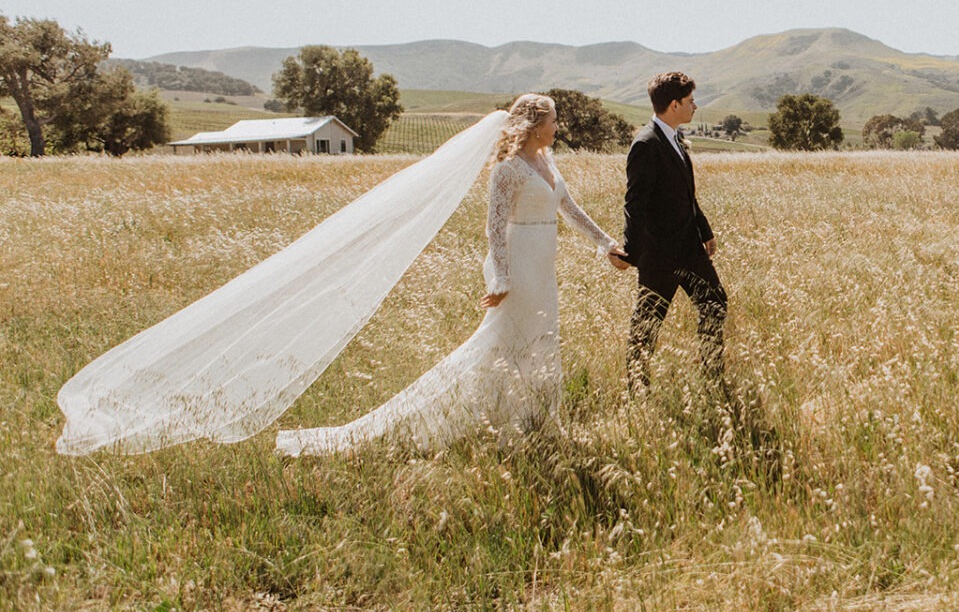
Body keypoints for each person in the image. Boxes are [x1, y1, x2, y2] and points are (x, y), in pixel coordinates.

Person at [275, 94, 626, 456]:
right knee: (500, 344)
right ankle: (460, 422)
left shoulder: (547, 160)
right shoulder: (508, 169)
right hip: (519, 269)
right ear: (535, 126)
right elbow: (494, 227)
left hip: (543, 270)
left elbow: (569, 208)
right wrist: (502, 279)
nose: (557, 126)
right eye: (553, 120)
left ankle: (535, 420)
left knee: (542, 340)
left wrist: (606, 244)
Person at [612, 71, 728, 395]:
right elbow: (634, 203)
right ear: (674, 104)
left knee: (715, 304)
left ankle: (711, 375)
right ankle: (637, 387)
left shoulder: (675, 138)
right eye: (691, 101)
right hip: (659, 254)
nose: (695, 106)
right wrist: (631, 253)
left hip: (690, 249)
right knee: (647, 323)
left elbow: (685, 193)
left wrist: (705, 230)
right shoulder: (646, 144)